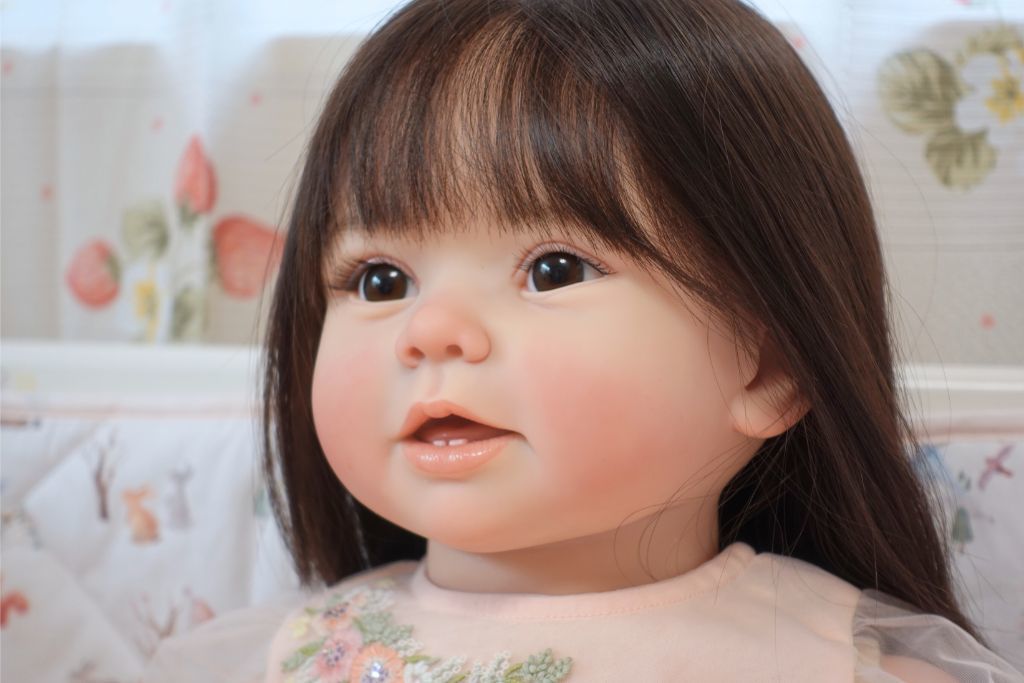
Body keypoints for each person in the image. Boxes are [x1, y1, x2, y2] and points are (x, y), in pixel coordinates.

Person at [144, 0, 1024, 680]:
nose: (431, 330)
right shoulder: (280, 659)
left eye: (554, 269)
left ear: (765, 366)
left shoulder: (829, 661)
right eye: (380, 280)